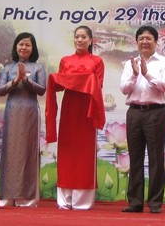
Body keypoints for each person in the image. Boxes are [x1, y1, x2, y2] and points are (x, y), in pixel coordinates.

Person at [45, 25, 105, 210]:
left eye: (84, 37)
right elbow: (61, 84)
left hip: (87, 111)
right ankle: (65, 199)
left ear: (90, 40)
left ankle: (83, 200)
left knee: (85, 153)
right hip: (69, 109)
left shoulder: (97, 61)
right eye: (77, 37)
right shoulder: (65, 60)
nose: (80, 40)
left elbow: (98, 86)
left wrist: (78, 82)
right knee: (67, 150)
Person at [120, 25, 165, 214]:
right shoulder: (129, 63)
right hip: (134, 112)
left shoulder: (164, 62)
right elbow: (124, 89)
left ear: (156, 42)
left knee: (156, 158)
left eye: (149, 38)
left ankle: (155, 202)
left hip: (155, 112)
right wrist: (135, 74)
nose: (144, 41)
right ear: (136, 41)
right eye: (141, 38)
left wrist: (147, 73)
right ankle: (135, 202)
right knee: (135, 158)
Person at [0, 32, 46, 207]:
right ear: (16, 47)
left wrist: (26, 79)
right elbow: (0, 90)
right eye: (21, 44)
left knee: (28, 151)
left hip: (29, 112)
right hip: (12, 112)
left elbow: (42, 90)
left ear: (32, 48)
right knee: (10, 152)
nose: (24, 48)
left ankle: (27, 198)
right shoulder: (8, 68)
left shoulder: (39, 67)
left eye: (27, 45)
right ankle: (8, 196)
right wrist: (16, 80)